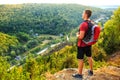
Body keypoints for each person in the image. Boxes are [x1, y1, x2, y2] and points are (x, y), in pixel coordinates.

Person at [72, 10, 93, 79]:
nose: (82, 14)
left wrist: (77, 35)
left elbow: (81, 37)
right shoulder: (91, 22)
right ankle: (91, 70)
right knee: (89, 57)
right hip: (88, 43)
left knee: (80, 59)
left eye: (83, 13)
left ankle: (80, 75)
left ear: (86, 14)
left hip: (82, 45)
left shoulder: (83, 24)